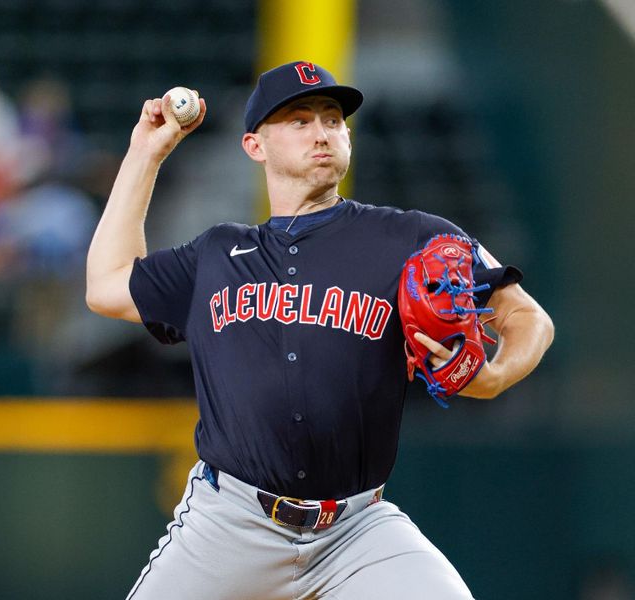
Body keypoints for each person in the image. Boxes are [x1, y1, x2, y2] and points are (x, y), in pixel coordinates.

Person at [86, 61, 554, 600]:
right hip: (230, 524)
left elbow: (528, 317)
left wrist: (494, 376)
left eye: (333, 119)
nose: (321, 132)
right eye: (299, 120)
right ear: (255, 145)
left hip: (356, 530)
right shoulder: (214, 255)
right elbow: (106, 284)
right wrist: (147, 152)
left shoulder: (411, 237)